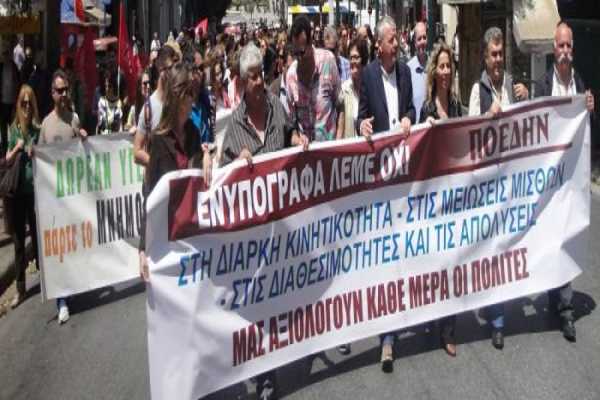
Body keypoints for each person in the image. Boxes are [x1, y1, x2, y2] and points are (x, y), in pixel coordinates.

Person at [219, 42, 308, 400]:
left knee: (281, 297)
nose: (259, 81)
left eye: (261, 74)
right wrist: (234, 163)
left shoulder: (277, 107)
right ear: (242, 82)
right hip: (253, 236)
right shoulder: (234, 127)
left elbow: (289, 134)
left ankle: (286, 350)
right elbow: (222, 181)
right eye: (252, 77)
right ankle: (264, 373)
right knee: (258, 304)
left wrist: (298, 138)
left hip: (282, 227)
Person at [357, 16, 416, 371]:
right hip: (381, 177)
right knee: (385, 255)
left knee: (406, 247)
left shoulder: (406, 73)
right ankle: (387, 337)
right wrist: (362, 125)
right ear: (380, 45)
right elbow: (361, 118)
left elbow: (411, 110)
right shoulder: (367, 76)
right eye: (392, 40)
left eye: (397, 39)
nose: (397, 44)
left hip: (405, 174)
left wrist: (409, 117)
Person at [467, 26, 528, 349]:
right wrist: (486, 117)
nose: (498, 59)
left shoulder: (510, 85)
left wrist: (526, 100)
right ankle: (497, 319)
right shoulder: (478, 91)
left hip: (512, 180)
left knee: (509, 246)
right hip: (488, 184)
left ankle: (501, 306)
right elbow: (469, 136)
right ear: (484, 56)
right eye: (493, 54)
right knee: (492, 248)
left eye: (501, 54)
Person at [534, 21, 595, 342]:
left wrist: (590, 110)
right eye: (561, 45)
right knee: (549, 238)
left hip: (570, 181)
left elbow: (586, 131)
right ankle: (552, 294)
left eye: (569, 45)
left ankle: (566, 309)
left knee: (566, 237)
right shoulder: (543, 86)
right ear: (553, 48)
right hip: (549, 182)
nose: (565, 51)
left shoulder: (580, 85)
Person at [418, 42, 462, 356]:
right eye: (441, 66)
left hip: (457, 194)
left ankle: (448, 328)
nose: (445, 72)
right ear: (434, 72)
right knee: (435, 261)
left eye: (449, 66)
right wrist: (426, 128)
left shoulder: (457, 106)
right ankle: (431, 314)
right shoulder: (427, 109)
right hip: (434, 198)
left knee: (452, 262)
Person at [139, 63, 202, 281]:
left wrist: (208, 159)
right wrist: (142, 249)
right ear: (178, 96)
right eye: (189, 93)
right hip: (167, 238)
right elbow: (150, 195)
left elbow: (200, 180)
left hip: (193, 235)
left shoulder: (194, 134)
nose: (193, 98)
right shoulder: (158, 141)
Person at [39, 70, 88, 324]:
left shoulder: (74, 120)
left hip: (74, 196)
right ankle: (62, 301)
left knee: (74, 244)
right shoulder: (46, 125)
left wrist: (85, 139)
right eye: (59, 91)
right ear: (52, 93)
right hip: (54, 198)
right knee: (59, 249)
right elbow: (40, 159)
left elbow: (83, 154)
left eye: (66, 90)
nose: (63, 94)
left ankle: (74, 285)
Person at [6, 85, 40, 308]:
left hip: (35, 192)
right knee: (19, 242)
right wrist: (17, 148)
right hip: (17, 193)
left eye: (29, 103)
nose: (27, 107)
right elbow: (6, 160)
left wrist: (36, 151)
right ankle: (20, 289)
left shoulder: (37, 130)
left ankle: (47, 276)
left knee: (38, 236)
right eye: (23, 103)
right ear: (18, 105)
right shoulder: (14, 130)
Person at [286, 16, 341, 143]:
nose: (299, 58)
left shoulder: (328, 61)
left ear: (311, 42)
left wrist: (339, 141)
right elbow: (291, 124)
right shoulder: (291, 77)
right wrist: (296, 138)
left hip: (330, 149)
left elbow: (340, 104)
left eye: (302, 52)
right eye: (295, 53)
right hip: (306, 153)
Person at [133, 45, 177, 167]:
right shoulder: (149, 108)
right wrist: (158, 165)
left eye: (175, 68)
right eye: (169, 68)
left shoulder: (178, 102)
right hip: (156, 177)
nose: (173, 73)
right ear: (159, 67)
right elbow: (137, 152)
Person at [337, 38, 369, 139]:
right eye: (350, 58)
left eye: (356, 57)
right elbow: (340, 129)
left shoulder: (371, 88)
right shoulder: (344, 90)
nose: (352, 61)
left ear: (364, 60)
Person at [1, 46, 20, 154]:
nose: (5, 56)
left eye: (6, 54)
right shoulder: (1, 66)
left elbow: (18, 81)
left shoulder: (14, 66)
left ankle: (13, 146)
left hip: (12, 101)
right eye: (4, 54)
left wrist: (17, 99)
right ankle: (4, 147)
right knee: (3, 126)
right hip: (3, 102)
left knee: (13, 126)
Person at [407, 21, 428, 123]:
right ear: (415, 43)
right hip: (416, 128)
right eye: (419, 39)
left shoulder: (434, 66)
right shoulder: (408, 69)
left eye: (424, 37)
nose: (422, 41)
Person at [125, 69, 153, 134]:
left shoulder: (154, 105)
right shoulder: (133, 109)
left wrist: (138, 128)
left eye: (149, 83)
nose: (148, 86)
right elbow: (128, 127)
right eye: (145, 83)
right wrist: (131, 127)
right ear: (139, 86)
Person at [97, 69, 124, 135]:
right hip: (104, 135)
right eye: (106, 86)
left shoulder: (118, 102)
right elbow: (101, 121)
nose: (107, 89)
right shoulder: (101, 102)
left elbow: (119, 121)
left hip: (116, 134)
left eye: (109, 86)